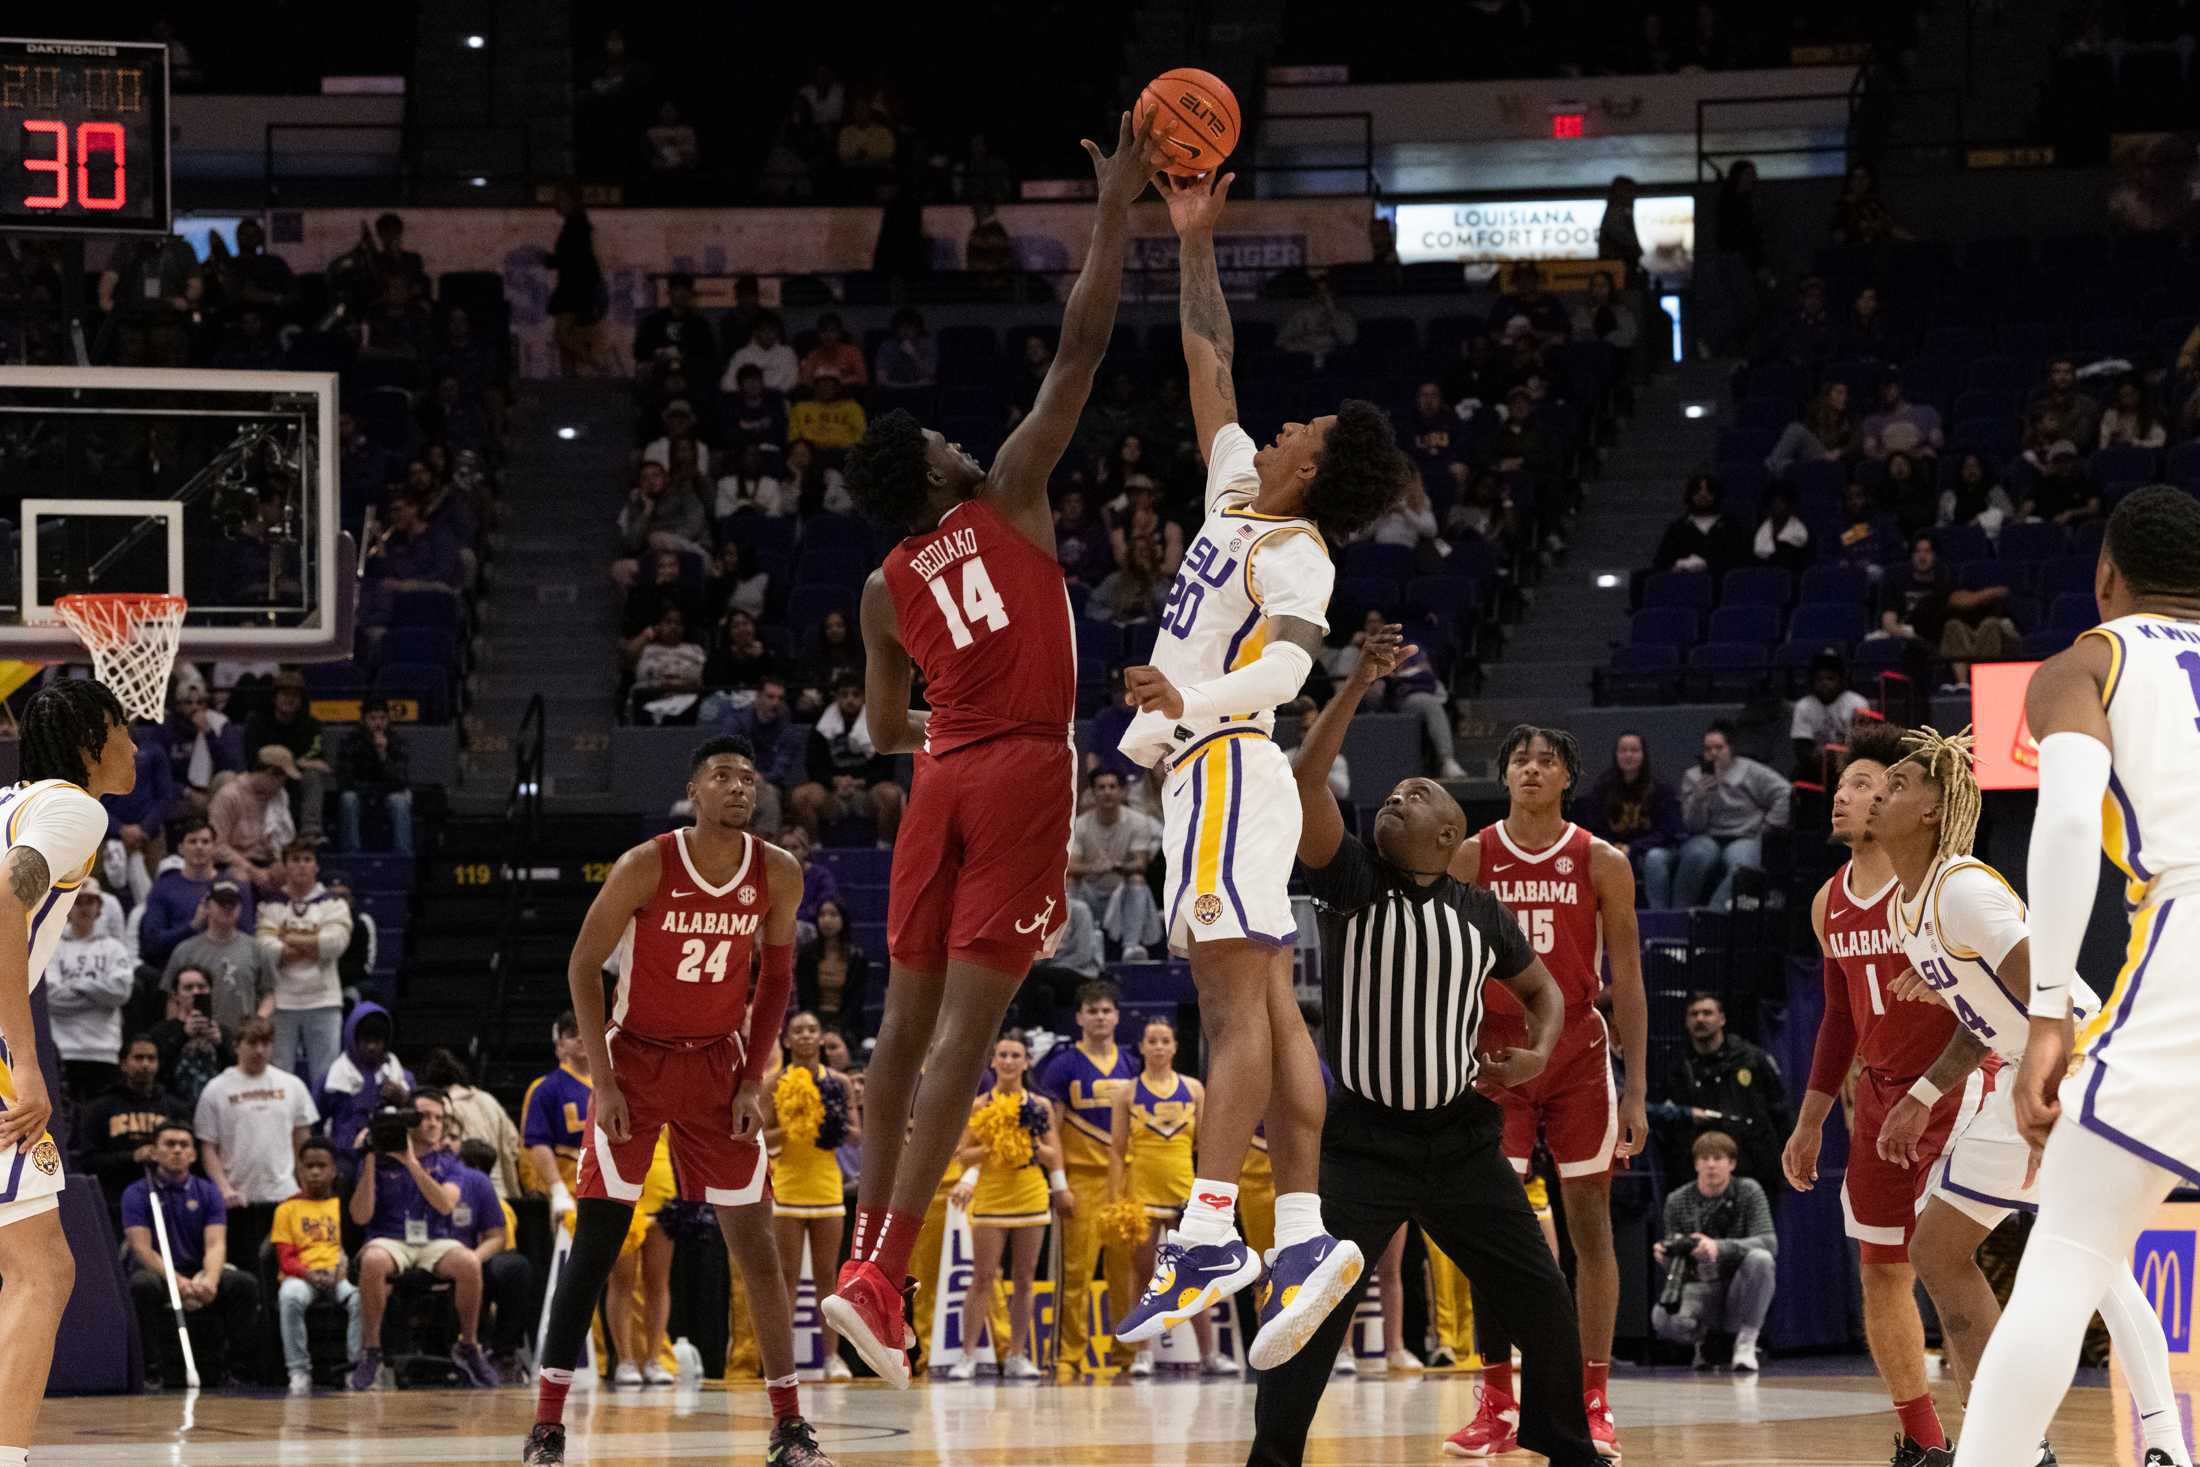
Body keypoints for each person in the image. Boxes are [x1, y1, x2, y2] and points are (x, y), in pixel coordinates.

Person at [822, 113, 1156, 1391]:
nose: (965, 438)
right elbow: (1080, 343)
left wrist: (936, 737)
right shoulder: (1009, 488)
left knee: (895, 1040)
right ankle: (882, 1275)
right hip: (1018, 766)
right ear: (933, 468)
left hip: (941, 778)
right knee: (966, 1038)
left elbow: (876, 729)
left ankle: (869, 1267)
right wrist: (1114, 207)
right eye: (943, 441)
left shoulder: (878, 584)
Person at [1104, 166, 1414, 1371]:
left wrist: (1189, 699)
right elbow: (1209, 365)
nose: (1285, 424)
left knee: (1230, 1007)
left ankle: (1205, 1228)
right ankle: (1300, 1232)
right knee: (1275, 1011)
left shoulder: (1297, 552)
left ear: (1313, 467)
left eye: (1308, 430)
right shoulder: (1238, 495)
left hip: (1232, 761)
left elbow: (1287, 673)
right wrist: (1192, 240)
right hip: (1212, 773)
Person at [1254, 625, 1596, 1467]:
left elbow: (1545, 990)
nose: (1396, 801)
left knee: (1543, 1293)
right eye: (1394, 796)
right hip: (1363, 1142)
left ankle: (1562, 1440)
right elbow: (1305, 779)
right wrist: (1360, 683)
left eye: (1416, 795)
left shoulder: (1481, 909)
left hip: (1460, 1138)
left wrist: (1539, 1050)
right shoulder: (1354, 880)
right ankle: (1273, 1458)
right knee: (1314, 1307)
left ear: (1451, 834)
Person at [1949, 488, 2200, 1467]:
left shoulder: (2086, 662)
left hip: (2183, 948)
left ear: (2106, 575)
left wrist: (2047, 1012)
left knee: (2063, 1256)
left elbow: (2062, 827)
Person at [1864, 725, 2186, 1465]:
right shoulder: (1904, 911)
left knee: (2096, 1259)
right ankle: (2012, 1445)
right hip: (2019, 1071)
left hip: (2070, 1063)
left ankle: (2165, 1443)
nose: (1883, 790)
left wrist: (2060, 1085)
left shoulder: (1962, 889)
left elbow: (2047, 990)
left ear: (1931, 811)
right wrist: (1922, 1091)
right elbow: (1986, 1020)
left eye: (1902, 783)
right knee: (1939, 1248)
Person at [523, 737, 830, 1467]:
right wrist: (603, 1077)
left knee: (756, 1246)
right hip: (636, 1058)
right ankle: (547, 1426)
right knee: (597, 1243)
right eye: (722, 776)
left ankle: (788, 1426)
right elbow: (581, 964)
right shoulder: (647, 863)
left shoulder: (777, 873)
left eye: (748, 778)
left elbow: (776, 984)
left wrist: (753, 1077)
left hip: (719, 1066)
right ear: (693, 790)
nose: (738, 788)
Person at [1444, 723, 1648, 1458]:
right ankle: (1496, 1395)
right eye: (1521, 760)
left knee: (1589, 1225)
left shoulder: (1602, 859)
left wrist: (1637, 1091)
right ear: (1504, 777)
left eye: (1547, 760)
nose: (1532, 769)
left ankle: (1592, 1396)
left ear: (1568, 776)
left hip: (1577, 1056)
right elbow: (1449, 970)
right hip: (1497, 1055)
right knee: (1491, 1229)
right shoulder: (1472, 853)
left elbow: (1628, 977)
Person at [1780, 719, 1965, 1464]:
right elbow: (1837, 1019)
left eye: (1863, 783)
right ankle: (1925, 1442)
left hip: (1956, 1087)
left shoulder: (1938, 879)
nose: (1844, 795)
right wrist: (1809, 1121)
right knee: (1883, 1268)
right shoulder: (1830, 901)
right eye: (1844, 782)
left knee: (1951, 1265)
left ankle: (2011, 1432)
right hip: (1882, 1098)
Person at [0, 678, 138, 1458]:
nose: (136, 747)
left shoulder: (9, 801)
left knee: (36, 1266)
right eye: (124, 730)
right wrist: (27, 1061)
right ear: (93, 741)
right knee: (42, 1270)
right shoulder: (76, 806)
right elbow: (1, 901)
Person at [348, 1087, 498, 1389]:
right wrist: (369, 1160)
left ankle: (468, 1346)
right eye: (425, 1116)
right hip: (389, 1239)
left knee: (469, 1261)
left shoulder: (449, 1163)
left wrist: (411, 1164)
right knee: (374, 1260)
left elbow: (445, 1203)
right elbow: (360, 1217)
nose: (432, 1123)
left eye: (439, 1118)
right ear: (409, 1120)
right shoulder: (378, 1158)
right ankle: (372, 1351)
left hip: (433, 1240)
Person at [1109, 1016, 1232, 1376]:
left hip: (1184, 1195)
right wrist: (1117, 1198)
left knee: (1195, 1275)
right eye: (1153, 1040)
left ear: (1175, 1047)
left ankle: (1209, 1353)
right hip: (1140, 1197)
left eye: (1165, 1040)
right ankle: (1142, 1353)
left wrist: (1210, 1197)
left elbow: (1207, 1146)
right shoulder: (1126, 1092)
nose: (1159, 1046)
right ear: (1143, 1047)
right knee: (1143, 1276)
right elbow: (1117, 1150)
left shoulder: (1194, 1089)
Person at [943, 1031, 1069, 1381]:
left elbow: (1052, 1154)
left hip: (1030, 1195)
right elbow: (963, 1153)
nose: (1009, 1061)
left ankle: (1017, 1354)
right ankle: (967, 1355)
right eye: (1003, 1055)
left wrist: (1025, 1145)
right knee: (982, 1277)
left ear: (1027, 1062)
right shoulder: (980, 1105)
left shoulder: (1039, 1106)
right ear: (993, 1061)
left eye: (1016, 1055)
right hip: (991, 1198)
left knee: (1025, 1279)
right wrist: (994, 1143)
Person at [1031, 979, 1140, 1377]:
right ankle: (1068, 1356)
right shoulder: (1063, 1065)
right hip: (1080, 1180)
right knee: (1075, 1273)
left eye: (1106, 1010)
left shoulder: (1131, 1064)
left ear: (1117, 1016)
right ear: (1079, 1018)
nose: (1099, 1017)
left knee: (1124, 1272)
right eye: (1092, 1011)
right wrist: (1058, 1182)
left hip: (1124, 1181)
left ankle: (1127, 1354)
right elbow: (1052, 1131)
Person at [122, 1121, 262, 1387]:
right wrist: (178, 1283)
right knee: (142, 1286)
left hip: (199, 1273)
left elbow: (216, 1244)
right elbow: (141, 1249)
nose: (177, 1150)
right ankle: (151, 1371)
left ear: (194, 1154)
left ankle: (237, 1370)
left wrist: (208, 1280)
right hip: (160, 1274)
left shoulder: (208, 1192)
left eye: (184, 1145)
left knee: (243, 1284)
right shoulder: (137, 1193)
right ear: (154, 1151)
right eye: (169, 1144)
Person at [765, 1011, 859, 1383]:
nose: (805, 1035)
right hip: (787, 1187)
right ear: (787, 1041)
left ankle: (831, 1359)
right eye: (798, 1030)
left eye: (812, 1030)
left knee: (827, 1279)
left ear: (821, 1038)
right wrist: (790, 1127)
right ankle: (783, 1365)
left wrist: (828, 1120)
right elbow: (762, 1137)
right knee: (785, 1279)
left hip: (827, 1187)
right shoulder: (773, 1083)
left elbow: (855, 1134)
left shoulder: (839, 1083)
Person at [1651, 1132, 1777, 1372]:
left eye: (1718, 1158)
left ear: (1732, 1163)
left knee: (1761, 1259)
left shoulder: (1748, 1191)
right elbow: (1675, 1261)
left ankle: (1746, 1343)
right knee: (1663, 1318)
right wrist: (1667, 1257)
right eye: (1705, 1158)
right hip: (1699, 1284)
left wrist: (1718, 1247)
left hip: (1738, 1284)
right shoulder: (1677, 1200)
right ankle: (1705, 1339)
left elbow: (1770, 1242)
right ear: (1695, 1163)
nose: (1711, 1164)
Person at [1660, 995, 1791, 1186]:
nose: (1700, 1019)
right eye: (1694, 1014)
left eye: (1707, 1013)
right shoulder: (1678, 1067)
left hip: (1754, 1168)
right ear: (1687, 1022)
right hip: (1697, 1173)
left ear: (1722, 1019)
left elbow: (1780, 1110)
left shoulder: (1752, 1059)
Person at [1659, 722, 1790, 910]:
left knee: (1743, 865)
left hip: (1744, 836)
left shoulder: (1750, 770)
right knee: (1696, 855)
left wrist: (1770, 825)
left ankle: (1714, 915)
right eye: (1708, 749)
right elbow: (1692, 826)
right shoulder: (1693, 777)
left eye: (1719, 748)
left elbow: (1784, 792)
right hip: (1706, 836)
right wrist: (1699, 798)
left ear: (1731, 749)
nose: (1713, 753)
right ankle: (1678, 914)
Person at [193, 1014, 316, 1209]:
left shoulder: (293, 1085)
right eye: (252, 1043)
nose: (259, 1050)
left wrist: (305, 1187)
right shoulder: (216, 1089)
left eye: (266, 1043)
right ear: (236, 1046)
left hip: (287, 1195)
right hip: (238, 1198)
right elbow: (208, 1148)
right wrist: (224, 1189)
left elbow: (303, 1142)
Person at [257, 841, 351, 1087]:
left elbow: (335, 943)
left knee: (326, 1073)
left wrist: (287, 937)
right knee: (278, 1074)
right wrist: (314, 946)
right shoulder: (271, 904)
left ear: (316, 866)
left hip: (323, 999)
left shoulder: (333, 902)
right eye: (295, 859)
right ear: (285, 865)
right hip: (282, 1000)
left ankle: (325, 1124)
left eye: (307, 860)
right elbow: (265, 948)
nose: (301, 865)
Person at [271, 1136, 361, 1394]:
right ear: (299, 1170)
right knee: (289, 1297)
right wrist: (307, 1273)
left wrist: (342, 1268)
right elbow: (285, 1258)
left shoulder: (344, 1205)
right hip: (302, 1275)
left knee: (360, 1297)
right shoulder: (287, 1209)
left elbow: (354, 1247)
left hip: (339, 1273)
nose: (314, 1172)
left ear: (334, 1170)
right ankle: (298, 1370)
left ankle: (356, 1369)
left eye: (322, 1166)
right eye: (308, 1166)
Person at [449, 1137, 535, 1382]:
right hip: (436, 1256)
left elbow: (503, 1248)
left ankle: (502, 1352)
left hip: (475, 1267)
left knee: (514, 1268)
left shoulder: (497, 1205)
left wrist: (471, 1261)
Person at [73, 1034, 187, 1214]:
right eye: (138, 1058)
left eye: (151, 1058)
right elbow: (87, 1161)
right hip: (115, 1201)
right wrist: (132, 1156)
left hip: (168, 1200)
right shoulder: (100, 1108)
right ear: (123, 1063)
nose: (145, 1064)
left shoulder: (175, 1108)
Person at [46, 884, 135, 1101]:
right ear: (67, 907)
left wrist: (78, 985)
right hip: (64, 1049)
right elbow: (51, 998)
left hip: (105, 1050)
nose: (83, 908)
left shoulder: (114, 948)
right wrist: (101, 997)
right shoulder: (52, 947)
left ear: (100, 908)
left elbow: (121, 992)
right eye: (77, 902)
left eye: (89, 902)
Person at [1067, 769, 1163, 959]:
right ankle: (1070, 946)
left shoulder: (1139, 822)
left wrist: (1117, 866)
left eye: (1112, 787)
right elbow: (1070, 867)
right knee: (1070, 882)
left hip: (1120, 894)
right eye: (1101, 788)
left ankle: (1131, 947)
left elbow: (1140, 864)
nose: (1107, 792)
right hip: (1090, 892)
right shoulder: (1079, 824)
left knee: (1137, 880)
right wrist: (1094, 868)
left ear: (1123, 791)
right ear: (1093, 793)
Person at [162, 879, 275, 1039]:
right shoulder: (185, 950)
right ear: (207, 906)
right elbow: (172, 999)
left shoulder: (256, 949)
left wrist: (257, 1023)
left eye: (233, 904)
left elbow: (269, 993)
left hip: (240, 1039)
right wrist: (176, 1033)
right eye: (222, 903)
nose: (227, 908)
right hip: (196, 1036)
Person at [140, 818, 254, 972]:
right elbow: (151, 944)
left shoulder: (235, 887)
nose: (199, 847)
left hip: (226, 967)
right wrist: (192, 926)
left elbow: (248, 936)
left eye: (205, 842)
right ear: (181, 848)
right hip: (179, 970)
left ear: (214, 848)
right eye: (192, 842)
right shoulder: (163, 887)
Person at [316, 1002, 412, 1175]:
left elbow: (419, 1123)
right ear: (352, 1038)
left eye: (377, 1041)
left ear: (387, 1040)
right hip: (345, 1163)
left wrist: (405, 1101)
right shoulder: (331, 1079)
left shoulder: (402, 1078)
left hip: (392, 1163)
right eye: (365, 1040)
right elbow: (315, 1125)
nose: (371, 1047)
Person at [1575, 732, 1683, 885]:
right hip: (1613, 848)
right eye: (1623, 750)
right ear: (1616, 755)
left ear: (1643, 754)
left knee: (1655, 859)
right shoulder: (1603, 787)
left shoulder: (1661, 788)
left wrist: (1633, 847)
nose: (1628, 755)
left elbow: (1667, 831)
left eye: (1634, 750)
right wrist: (1612, 846)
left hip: (1653, 848)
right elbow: (1593, 828)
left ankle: (1659, 909)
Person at [245, 672, 331, 848]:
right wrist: (285, 764)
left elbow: (322, 765)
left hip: (296, 778)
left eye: (295, 695)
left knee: (313, 777)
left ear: (301, 700)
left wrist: (291, 763)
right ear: (274, 697)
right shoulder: (257, 721)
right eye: (284, 694)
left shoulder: (311, 725)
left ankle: (310, 834)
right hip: (264, 775)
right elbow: (252, 758)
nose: (289, 699)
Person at [423, 1048, 522, 1200]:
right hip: (502, 1195)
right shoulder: (490, 1100)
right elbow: (514, 1148)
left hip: (469, 1198)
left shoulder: (442, 1109)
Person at [520, 1011, 592, 1219]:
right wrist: (556, 1189)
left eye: (585, 1031)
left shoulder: (612, 1085)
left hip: (607, 1189)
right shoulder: (545, 1088)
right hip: (569, 1192)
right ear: (559, 1045)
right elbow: (536, 1142)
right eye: (571, 1034)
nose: (580, 1037)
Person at [208, 746, 298, 888]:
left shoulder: (279, 797)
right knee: (241, 877)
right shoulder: (230, 795)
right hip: (234, 862)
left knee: (293, 872)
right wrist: (251, 869)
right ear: (270, 773)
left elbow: (282, 841)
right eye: (281, 779)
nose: (282, 785)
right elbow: (217, 845)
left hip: (267, 860)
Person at [335, 698, 412, 855]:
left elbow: (400, 781)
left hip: (387, 793)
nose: (378, 723)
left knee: (400, 801)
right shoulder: (350, 741)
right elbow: (345, 780)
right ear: (363, 720)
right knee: (348, 798)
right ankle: (351, 852)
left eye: (382, 718)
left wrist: (383, 754)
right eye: (373, 718)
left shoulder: (397, 741)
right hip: (360, 792)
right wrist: (370, 790)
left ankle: (402, 853)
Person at [150, 966, 235, 1106]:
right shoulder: (161, 1032)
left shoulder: (223, 1032)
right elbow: (155, 1071)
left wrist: (220, 1045)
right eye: (188, 988)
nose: (195, 992)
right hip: (174, 1107)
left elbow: (238, 1072)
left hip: (218, 1106)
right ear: (175, 995)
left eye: (201, 987)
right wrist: (182, 1035)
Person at [794, 900, 870, 1042]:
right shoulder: (806, 955)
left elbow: (856, 1001)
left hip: (847, 1026)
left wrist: (837, 1029)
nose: (826, 920)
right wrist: (818, 1028)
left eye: (833, 915)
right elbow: (805, 998)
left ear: (843, 919)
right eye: (822, 915)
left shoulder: (856, 957)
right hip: (812, 1023)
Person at [1790, 650, 1872, 777]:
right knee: (1798, 775)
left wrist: (1837, 753)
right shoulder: (1804, 705)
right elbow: (1801, 747)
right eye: (1819, 679)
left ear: (1841, 680)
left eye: (1830, 678)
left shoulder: (1857, 703)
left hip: (1849, 764)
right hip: (1816, 766)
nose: (1824, 683)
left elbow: (1862, 746)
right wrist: (1816, 756)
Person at [1652, 475, 1748, 580]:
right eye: (1698, 490)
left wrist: (1708, 565)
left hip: (1720, 581)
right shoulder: (1677, 527)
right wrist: (1678, 565)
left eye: (1709, 491)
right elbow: (1662, 560)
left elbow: (1740, 559)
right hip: (1683, 581)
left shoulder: (1731, 525)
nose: (1703, 495)